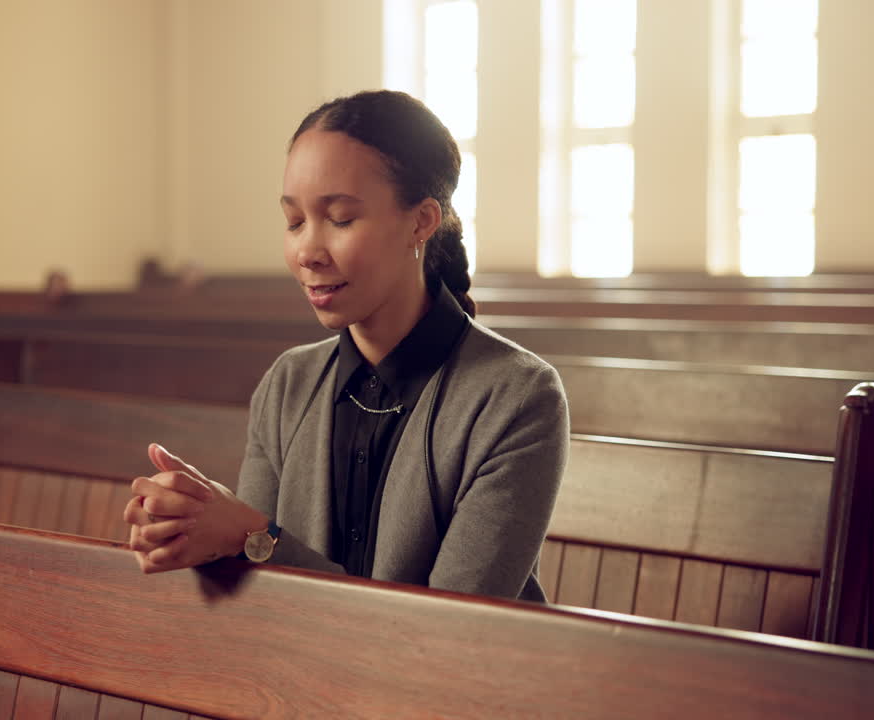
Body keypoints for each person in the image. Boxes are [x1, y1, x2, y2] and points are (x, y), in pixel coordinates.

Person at [124, 90, 569, 602]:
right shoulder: (287, 384)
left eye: (339, 219)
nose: (307, 252)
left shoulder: (517, 396)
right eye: (294, 221)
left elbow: (452, 632)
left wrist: (253, 537)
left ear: (421, 222)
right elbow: (257, 596)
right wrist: (185, 530)